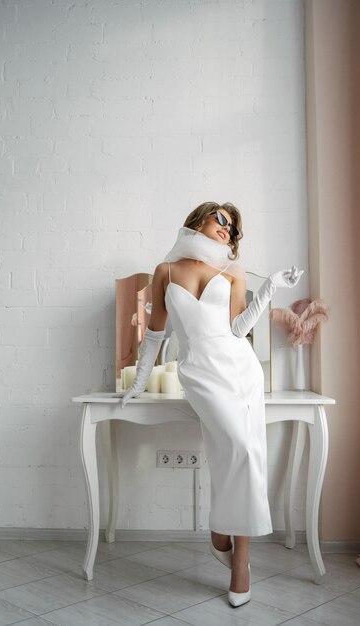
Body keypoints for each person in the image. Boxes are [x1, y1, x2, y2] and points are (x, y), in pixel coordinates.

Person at [121, 202, 302, 607]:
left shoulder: (233, 272)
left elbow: (238, 330)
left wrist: (269, 287)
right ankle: (221, 533)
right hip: (200, 371)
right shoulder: (164, 272)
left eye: (233, 227)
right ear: (197, 219)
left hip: (240, 369)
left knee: (246, 452)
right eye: (221, 219)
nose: (227, 229)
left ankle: (240, 556)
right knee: (235, 448)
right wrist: (140, 381)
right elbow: (153, 335)